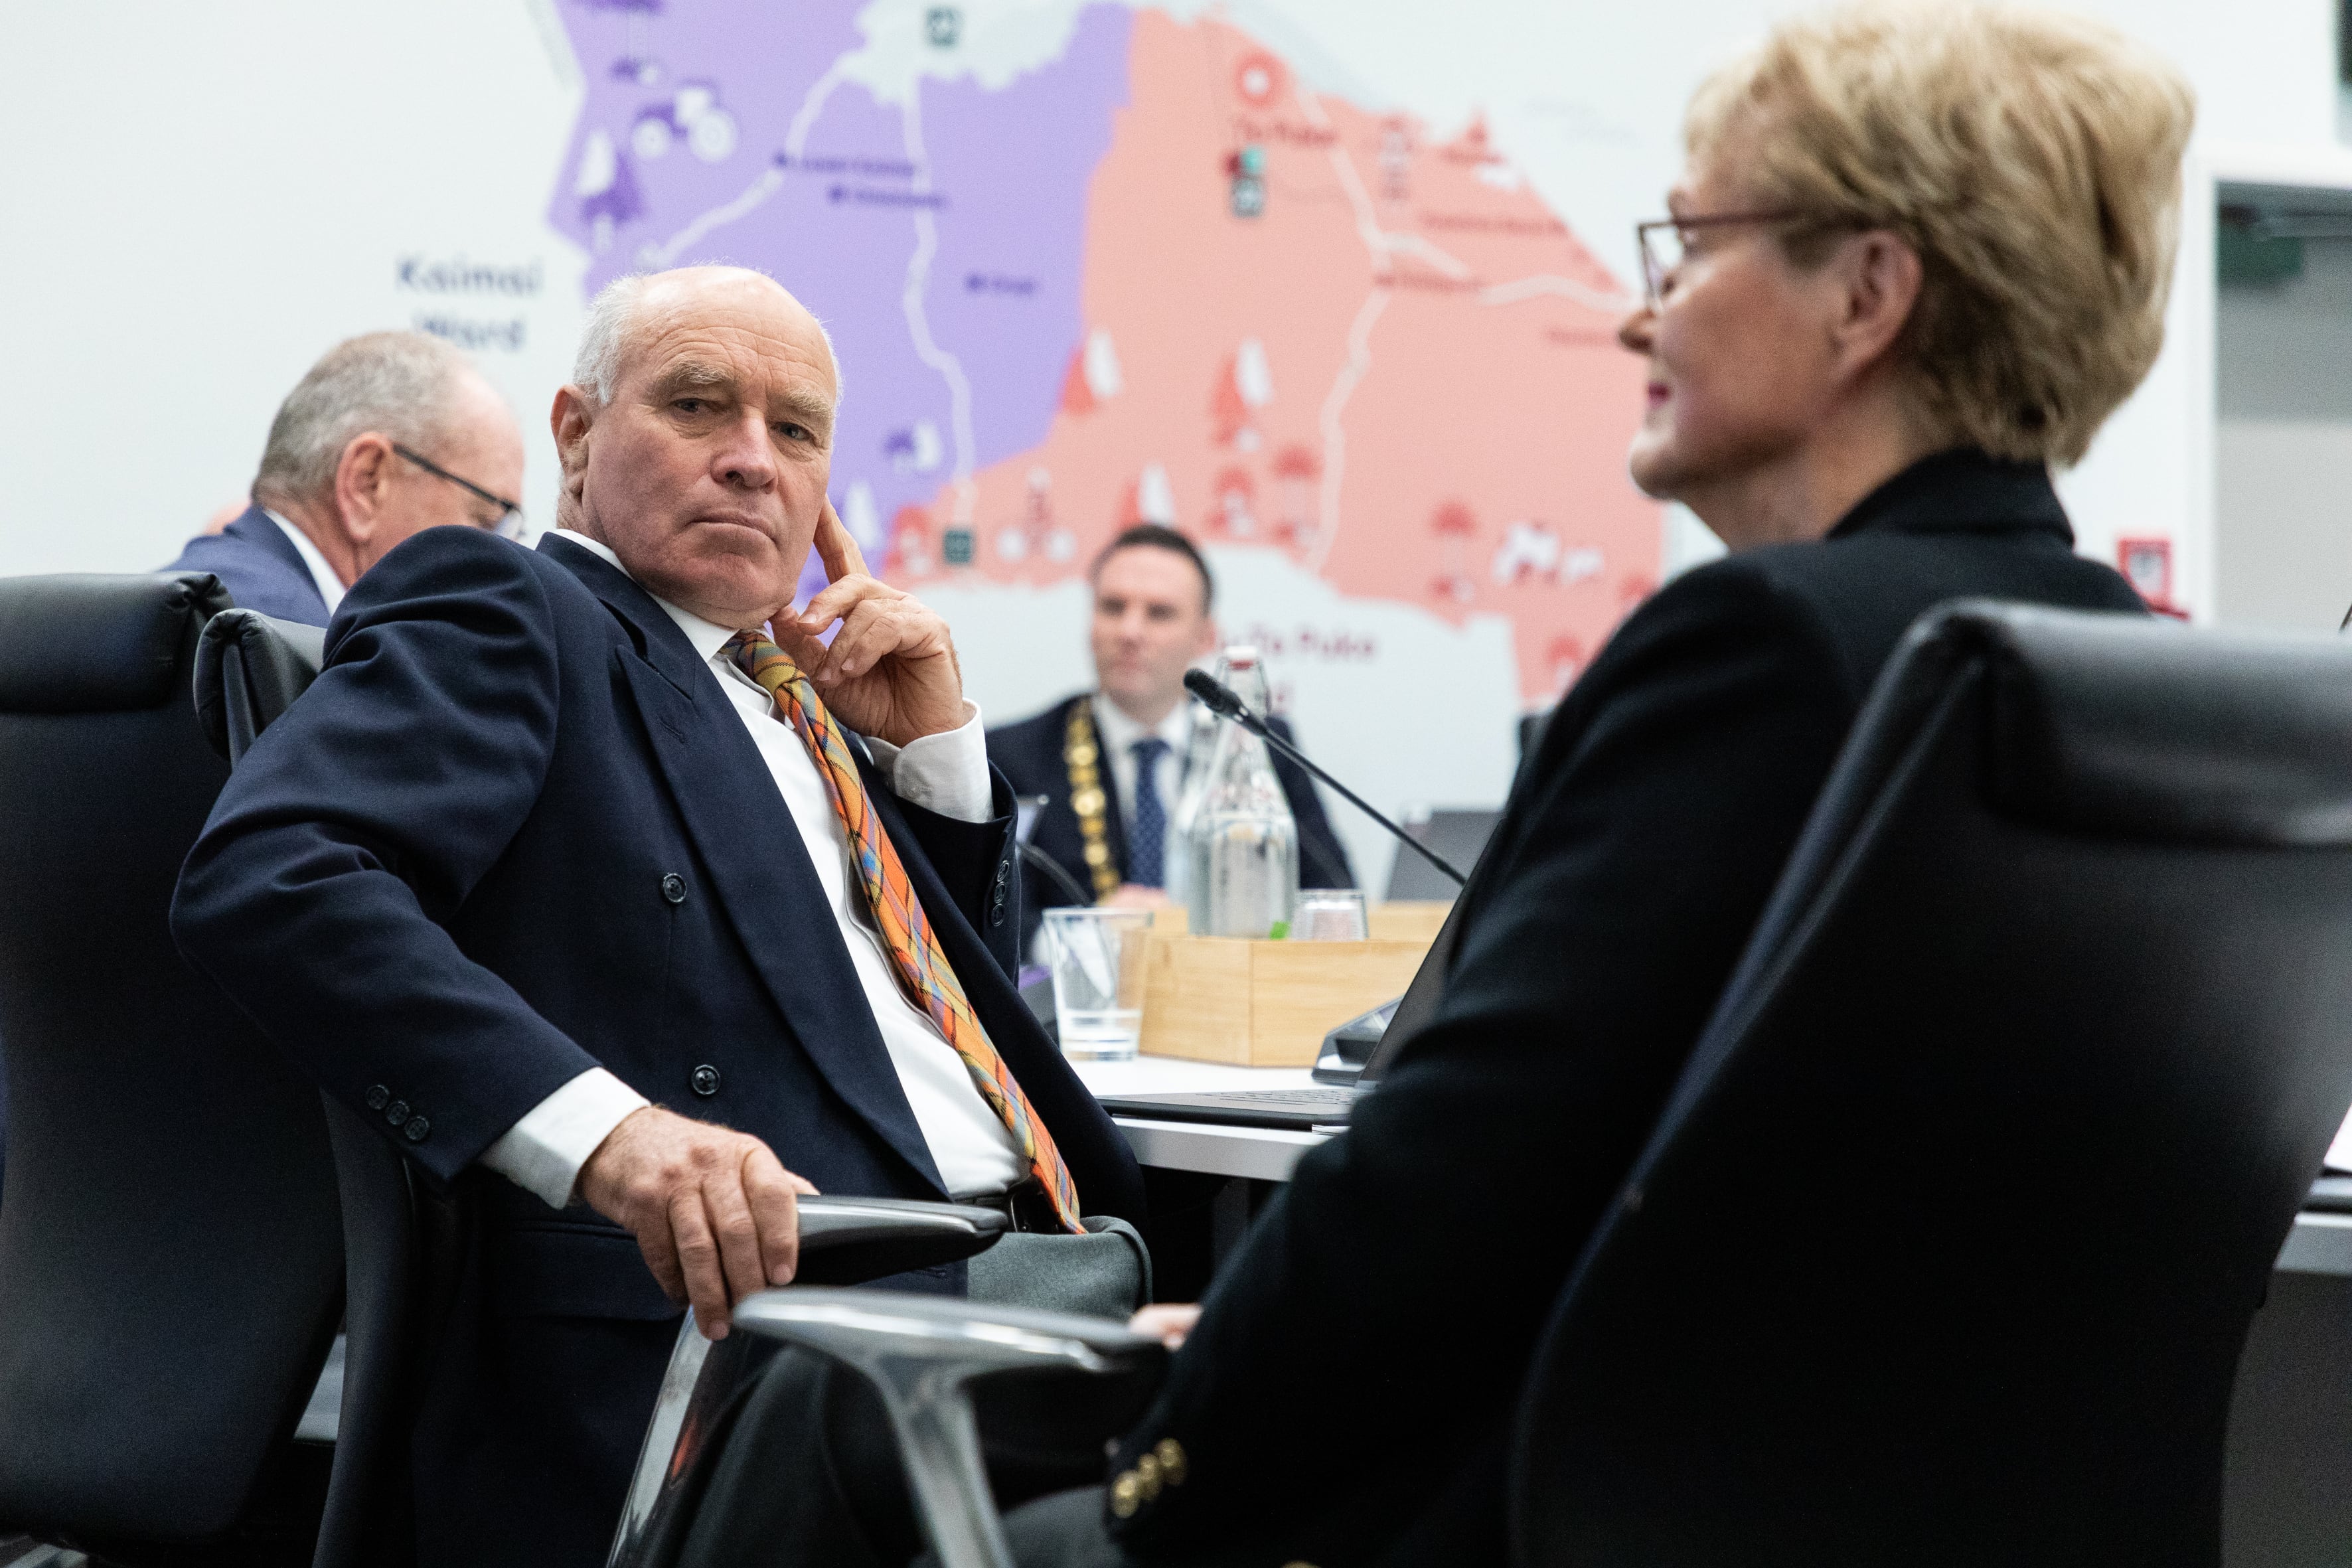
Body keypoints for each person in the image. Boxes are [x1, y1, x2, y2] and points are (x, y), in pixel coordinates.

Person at [688, 4, 2191, 1563]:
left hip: (1555, 1505)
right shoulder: (2113, 670)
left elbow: (1448, 1189)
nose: (1637, 317)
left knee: (827, 1412)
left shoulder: (1767, 652)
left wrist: (1165, 1464)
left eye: (1689, 246)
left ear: (1868, 294)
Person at [170, 266, 1144, 1568]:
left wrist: (935, 766)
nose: (751, 461)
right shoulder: (512, 603)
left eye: (794, 431)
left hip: (1019, 1267)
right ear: (574, 434)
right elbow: (273, 875)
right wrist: (616, 1137)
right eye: (698, 406)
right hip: (778, 1343)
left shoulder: (791, 693)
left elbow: (873, 1027)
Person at [987, 524, 1353, 944]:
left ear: (1206, 636)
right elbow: (990, 924)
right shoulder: (1014, 755)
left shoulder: (1256, 742)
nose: (1129, 632)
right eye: (1112, 607)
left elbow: (1332, 896)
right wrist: (1086, 932)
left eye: (1159, 613)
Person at [163, 331, 526, 625]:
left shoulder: (162, 605)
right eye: (488, 520)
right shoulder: (291, 656)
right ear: (366, 483)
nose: (505, 562)